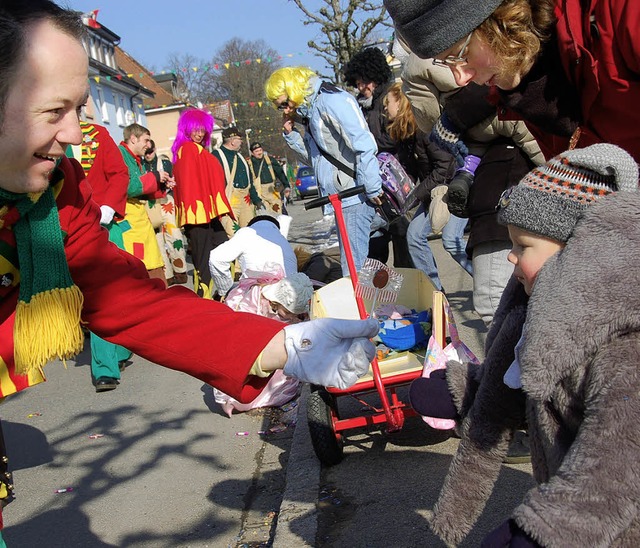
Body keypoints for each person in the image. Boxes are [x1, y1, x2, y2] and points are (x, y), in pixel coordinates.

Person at [0, 1, 380, 534]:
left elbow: (132, 304)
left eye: (80, 108)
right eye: (53, 111)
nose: (73, 134)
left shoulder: (54, 195)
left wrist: (285, 346)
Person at [408, 144, 640, 546]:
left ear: (582, 254)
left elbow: (616, 468)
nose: (511, 258)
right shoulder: (544, 315)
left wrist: (541, 532)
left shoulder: (624, 348)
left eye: (523, 246)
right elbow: (520, 381)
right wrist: (469, 392)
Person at [384, 0, 640, 163]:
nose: (460, 79)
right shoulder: (522, 90)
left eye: (459, 55)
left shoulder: (618, 14)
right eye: (445, 64)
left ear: (498, 18)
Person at [398, 46, 544, 324]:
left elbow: (434, 122)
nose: (461, 75)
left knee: (497, 306)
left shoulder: (433, 68)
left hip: (503, 183)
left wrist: (450, 123)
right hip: (498, 177)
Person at [265, 66, 383, 275]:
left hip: (354, 195)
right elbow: (318, 161)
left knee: (354, 271)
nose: (284, 110)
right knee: (360, 269)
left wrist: (372, 187)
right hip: (343, 198)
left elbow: (364, 142)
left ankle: (374, 306)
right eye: (279, 107)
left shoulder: (331, 101)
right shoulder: (313, 111)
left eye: (285, 103)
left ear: (294, 89)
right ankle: (379, 305)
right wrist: (292, 136)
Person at [381, 82, 459, 288]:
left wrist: (414, 196)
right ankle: (436, 293)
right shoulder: (405, 134)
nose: (384, 108)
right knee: (414, 236)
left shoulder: (424, 128)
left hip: (451, 188)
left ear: (400, 102)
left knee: (451, 241)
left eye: (387, 102)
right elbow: (411, 171)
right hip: (431, 191)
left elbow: (446, 168)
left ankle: (489, 282)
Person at [343, 48, 414, 268]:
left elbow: (392, 140)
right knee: (377, 246)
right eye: (357, 83)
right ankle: (380, 291)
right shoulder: (365, 105)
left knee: (402, 240)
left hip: (394, 182)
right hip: (376, 183)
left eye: (363, 82)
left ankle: (411, 292)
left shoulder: (387, 101)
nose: (360, 88)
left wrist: (366, 143)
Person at [75, 121, 133, 392]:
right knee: (91, 297)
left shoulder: (97, 133)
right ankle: (111, 358)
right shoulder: (41, 134)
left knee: (109, 293)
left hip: (103, 224)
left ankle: (111, 359)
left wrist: (109, 207)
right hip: (66, 227)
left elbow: (119, 173)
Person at [171, 108, 233, 298]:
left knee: (221, 246)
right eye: (195, 129)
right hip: (197, 214)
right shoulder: (188, 150)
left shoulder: (196, 150)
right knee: (203, 258)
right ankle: (203, 297)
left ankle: (218, 291)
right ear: (186, 129)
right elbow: (189, 185)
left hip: (206, 212)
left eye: (202, 130)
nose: (199, 134)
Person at [119, 123, 169, 285]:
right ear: (133, 139)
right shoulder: (119, 155)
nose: (148, 145)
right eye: (146, 140)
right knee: (139, 259)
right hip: (128, 220)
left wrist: (162, 184)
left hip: (139, 217)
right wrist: (154, 176)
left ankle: (158, 293)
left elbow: (142, 189)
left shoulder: (135, 159)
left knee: (151, 256)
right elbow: (127, 186)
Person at [209, 215, 297, 298]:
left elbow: (216, 258)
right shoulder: (283, 242)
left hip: (257, 297)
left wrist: (226, 290)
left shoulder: (247, 232)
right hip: (289, 297)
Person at [142, 140, 188, 286]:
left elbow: (174, 182)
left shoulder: (165, 163)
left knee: (174, 236)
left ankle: (180, 271)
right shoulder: (140, 165)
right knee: (157, 241)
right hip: (150, 203)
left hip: (166, 201)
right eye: (146, 152)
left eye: (151, 152)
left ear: (155, 149)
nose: (148, 155)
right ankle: (167, 274)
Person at [212, 126, 262, 233]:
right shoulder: (216, 156)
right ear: (232, 141)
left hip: (245, 199)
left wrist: (256, 200)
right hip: (229, 200)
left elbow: (250, 182)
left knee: (250, 232)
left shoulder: (240, 157)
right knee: (232, 234)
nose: (241, 142)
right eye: (240, 139)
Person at [248, 142, 289, 215]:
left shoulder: (270, 160)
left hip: (272, 190)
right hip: (259, 191)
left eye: (260, 150)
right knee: (265, 214)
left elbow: (280, 173)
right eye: (257, 151)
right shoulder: (249, 164)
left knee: (277, 211)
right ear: (252, 153)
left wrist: (286, 186)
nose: (259, 153)